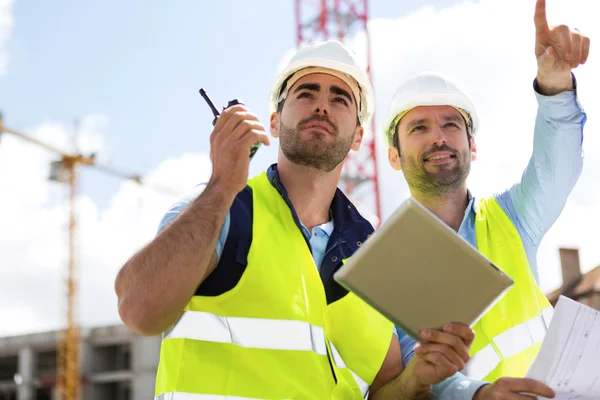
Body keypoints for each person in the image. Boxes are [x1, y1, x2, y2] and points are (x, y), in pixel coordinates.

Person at [115, 40, 479, 399]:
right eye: (306, 93)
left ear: (357, 137)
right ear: (274, 122)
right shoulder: (218, 211)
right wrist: (221, 186)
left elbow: (385, 389)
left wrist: (415, 379)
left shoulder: (373, 250)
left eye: (340, 98)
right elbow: (139, 310)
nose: (322, 106)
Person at [382, 0, 589, 398]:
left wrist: (555, 85)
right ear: (394, 156)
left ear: (472, 147)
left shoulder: (509, 218)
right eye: (419, 127)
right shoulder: (388, 267)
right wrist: (480, 395)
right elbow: (420, 374)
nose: (438, 136)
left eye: (450, 124)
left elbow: (558, 166)